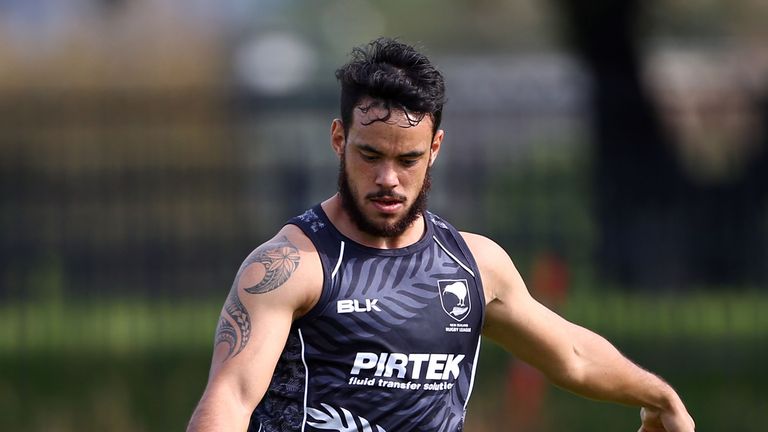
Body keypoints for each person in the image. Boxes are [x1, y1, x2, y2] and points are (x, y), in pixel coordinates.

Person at [187, 37, 695, 432]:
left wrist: (660, 397)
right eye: (370, 155)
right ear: (339, 139)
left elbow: (574, 358)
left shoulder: (474, 265)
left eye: (408, 159)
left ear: (434, 149)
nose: (388, 178)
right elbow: (229, 399)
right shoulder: (290, 266)